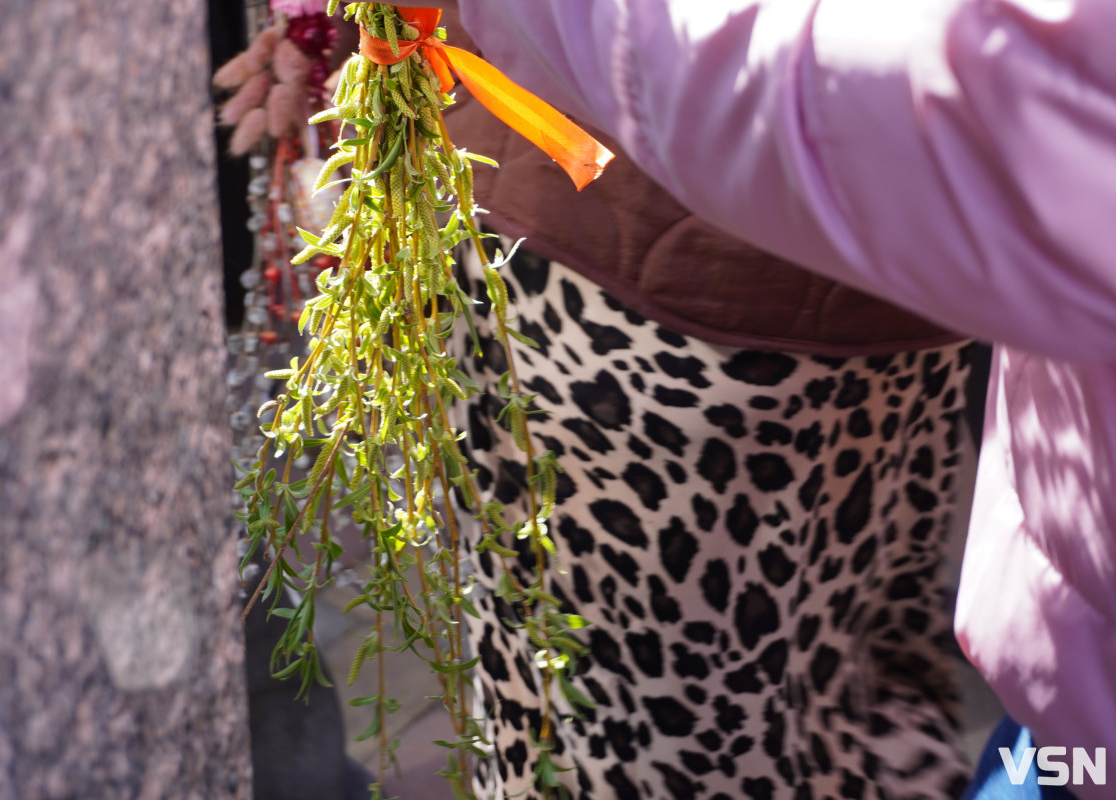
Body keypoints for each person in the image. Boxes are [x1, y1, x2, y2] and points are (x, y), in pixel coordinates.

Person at [396, 2, 1116, 799]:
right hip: (783, 276)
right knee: (842, 702)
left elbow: (959, 92)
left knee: (656, 734)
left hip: (683, 311)